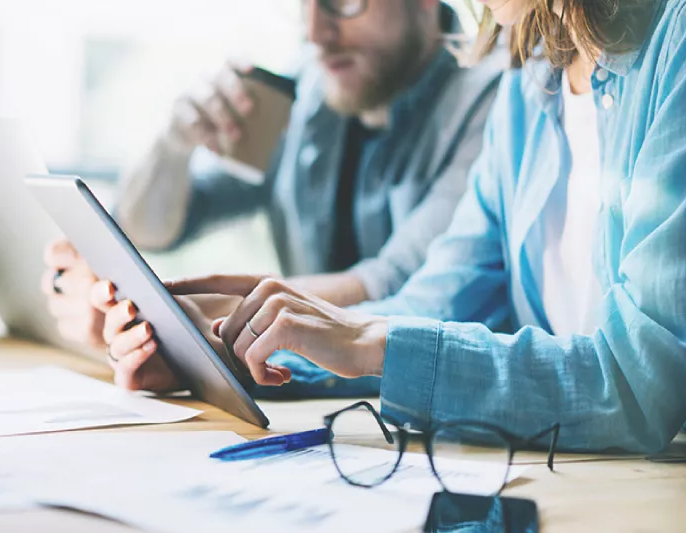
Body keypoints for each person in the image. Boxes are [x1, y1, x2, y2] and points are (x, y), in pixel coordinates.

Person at [107, 0, 686, 453]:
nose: (316, 31)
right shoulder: (531, 77)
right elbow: (441, 302)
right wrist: (228, 357)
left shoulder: (671, 44)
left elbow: (638, 384)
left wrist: (365, 342)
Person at [42, 0, 504, 348]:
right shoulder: (309, 87)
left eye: (342, 2)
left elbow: (397, 282)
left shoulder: (492, 101)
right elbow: (162, 227)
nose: (316, 33)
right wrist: (175, 144)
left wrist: (158, 315)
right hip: (307, 398)